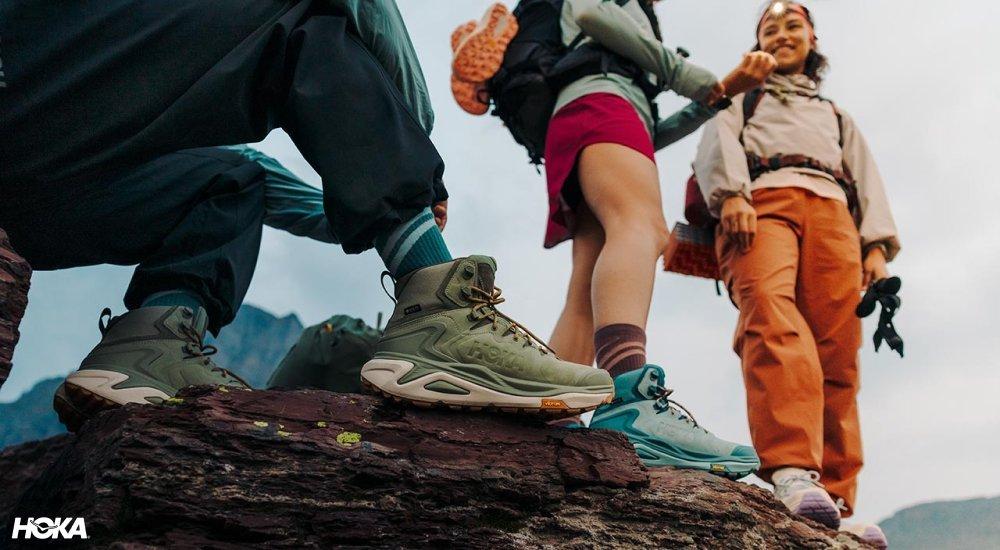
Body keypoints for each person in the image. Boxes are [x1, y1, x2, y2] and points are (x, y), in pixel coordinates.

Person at [0, 0, 615, 431]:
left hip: (39, 188)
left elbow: (255, 172)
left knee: (228, 182)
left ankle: (146, 349)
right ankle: (438, 313)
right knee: (304, 16)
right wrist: (415, 145)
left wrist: (354, 204)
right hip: (26, 88)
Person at [454, 0, 775, 477]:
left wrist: (720, 93)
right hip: (603, 107)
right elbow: (589, 13)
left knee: (589, 276)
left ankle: (554, 409)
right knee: (642, 227)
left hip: (590, 117)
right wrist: (692, 77)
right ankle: (630, 398)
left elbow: (647, 129)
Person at [693, 2, 899, 546]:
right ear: (757, 44)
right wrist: (731, 193)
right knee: (770, 313)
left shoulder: (835, 114)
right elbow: (716, 139)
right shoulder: (743, 94)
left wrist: (875, 246)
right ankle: (790, 470)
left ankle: (833, 494)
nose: (782, 35)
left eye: (792, 26)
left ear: (812, 38)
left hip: (834, 211)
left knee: (837, 346)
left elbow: (866, 177)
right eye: (769, 29)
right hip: (763, 198)